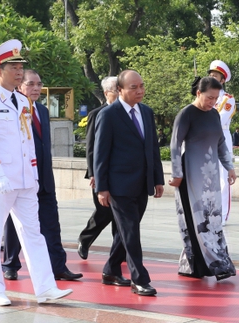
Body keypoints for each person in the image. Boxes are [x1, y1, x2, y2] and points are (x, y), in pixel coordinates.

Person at [0, 39, 72, 306]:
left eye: (20, 66)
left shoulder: (23, 101)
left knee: (34, 233)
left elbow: (28, 142)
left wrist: (33, 174)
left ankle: (46, 287)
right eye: (13, 66)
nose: (19, 71)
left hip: (25, 180)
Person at [2, 69, 83, 281]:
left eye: (39, 84)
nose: (36, 88)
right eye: (31, 84)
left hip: (45, 180)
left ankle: (58, 266)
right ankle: (10, 264)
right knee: (14, 225)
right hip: (20, 178)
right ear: (20, 86)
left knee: (51, 224)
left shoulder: (43, 111)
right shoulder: (11, 110)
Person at [94, 69, 164, 296]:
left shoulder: (146, 112)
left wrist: (158, 179)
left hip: (142, 183)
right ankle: (139, 279)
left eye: (142, 86)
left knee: (126, 232)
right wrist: (101, 188)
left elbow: (152, 148)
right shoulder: (109, 115)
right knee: (131, 232)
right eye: (133, 87)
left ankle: (111, 270)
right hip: (118, 185)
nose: (140, 91)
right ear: (120, 90)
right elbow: (100, 154)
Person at [169, 77, 237, 281]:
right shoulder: (186, 114)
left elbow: (221, 143)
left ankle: (198, 265)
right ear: (198, 93)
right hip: (190, 174)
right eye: (209, 98)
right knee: (198, 219)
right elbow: (174, 145)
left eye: (216, 98)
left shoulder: (214, 114)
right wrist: (176, 173)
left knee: (212, 218)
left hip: (211, 176)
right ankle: (214, 264)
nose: (212, 102)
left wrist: (230, 167)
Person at [77, 76, 118, 260]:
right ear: (106, 93)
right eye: (115, 90)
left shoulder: (130, 113)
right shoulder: (97, 114)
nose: (119, 93)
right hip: (102, 173)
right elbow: (91, 148)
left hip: (122, 173)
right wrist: (93, 173)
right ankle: (85, 240)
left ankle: (119, 252)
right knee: (104, 211)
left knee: (121, 215)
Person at [208, 60, 236, 225]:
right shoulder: (205, 96)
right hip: (207, 139)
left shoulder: (227, 99)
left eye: (215, 76)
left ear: (223, 80)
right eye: (210, 75)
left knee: (223, 180)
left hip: (222, 138)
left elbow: (218, 120)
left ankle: (223, 214)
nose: (212, 78)